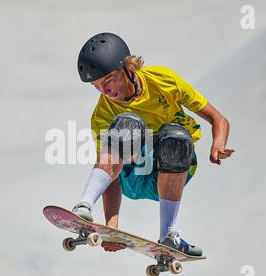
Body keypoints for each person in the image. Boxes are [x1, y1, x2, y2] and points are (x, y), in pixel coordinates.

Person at [72, 32, 234, 256]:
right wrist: (111, 227)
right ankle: (83, 205)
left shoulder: (163, 81)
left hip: (170, 172)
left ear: (129, 68)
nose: (105, 91)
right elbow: (110, 174)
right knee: (128, 124)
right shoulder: (102, 114)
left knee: (174, 136)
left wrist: (218, 143)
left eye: (108, 81)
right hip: (132, 176)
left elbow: (219, 119)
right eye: (97, 86)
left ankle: (169, 234)